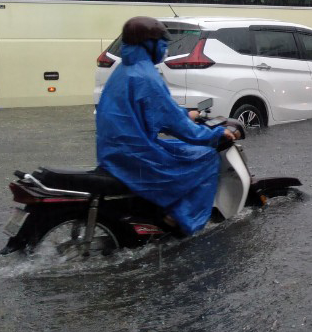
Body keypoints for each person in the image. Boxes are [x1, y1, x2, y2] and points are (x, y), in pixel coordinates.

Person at [95, 16, 240, 236]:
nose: (165, 49)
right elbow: (175, 124)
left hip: (116, 152)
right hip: (136, 155)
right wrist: (216, 136)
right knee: (207, 157)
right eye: (162, 44)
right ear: (148, 44)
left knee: (179, 149)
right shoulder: (146, 76)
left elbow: (155, 113)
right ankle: (182, 223)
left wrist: (186, 114)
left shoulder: (123, 70)